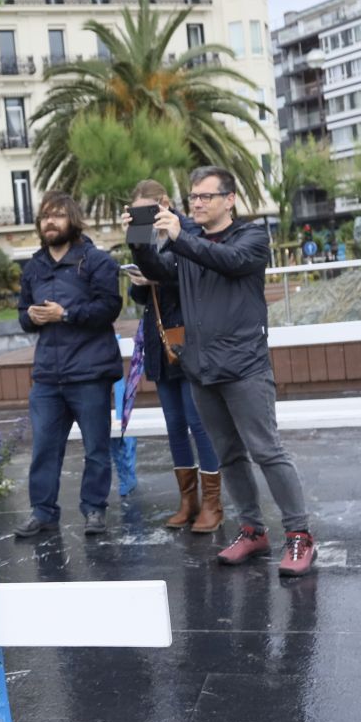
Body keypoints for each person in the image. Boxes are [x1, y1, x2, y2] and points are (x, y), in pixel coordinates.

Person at [127, 166, 317, 577]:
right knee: (229, 456)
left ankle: (299, 534)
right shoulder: (187, 241)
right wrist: (140, 241)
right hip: (202, 368)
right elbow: (161, 275)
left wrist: (180, 239)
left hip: (245, 366)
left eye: (205, 197)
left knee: (267, 451)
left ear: (229, 199)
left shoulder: (251, 237)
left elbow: (227, 262)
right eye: (193, 197)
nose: (196, 203)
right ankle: (252, 529)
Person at [12, 191, 123, 538]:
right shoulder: (33, 267)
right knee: (44, 449)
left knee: (96, 449)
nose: (50, 222)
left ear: (72, 220)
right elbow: (22, 316)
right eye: (45, 216)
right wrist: (31, 316)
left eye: (57, 215)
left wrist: (67, 314)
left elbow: (109, 308)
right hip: (47, 376)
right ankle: (43, 512)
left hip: (90, 373)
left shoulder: (96, 261)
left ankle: (94, 510)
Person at [126, 180, 222, 533]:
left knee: (199, 424)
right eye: (138, 212)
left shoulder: (189, 231)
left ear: (165, 203)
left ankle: (213, 504)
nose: (145, 217)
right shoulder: (144, 239)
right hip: (159, 341)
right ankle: (188, 501)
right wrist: (139, 280)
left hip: (189, 340)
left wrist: (156, 275)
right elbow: (138, 297)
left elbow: (188, 278)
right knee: (174, 427)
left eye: (149, 210)